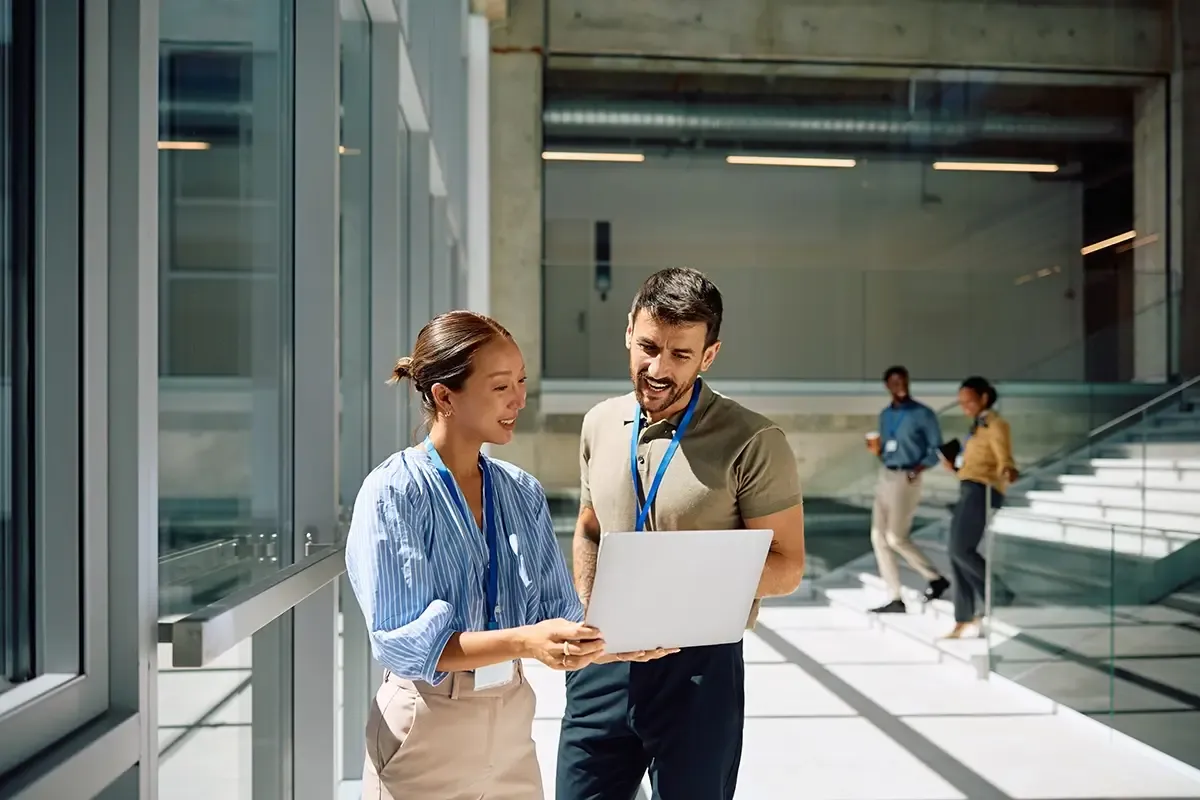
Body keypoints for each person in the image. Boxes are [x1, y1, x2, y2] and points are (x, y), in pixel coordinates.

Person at [556, 267, 807, 800]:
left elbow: (787, 568)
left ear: (709, 355)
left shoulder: (754, 439)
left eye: (680, 355)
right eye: (647, 346)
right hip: (603, 660)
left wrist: (678, 583)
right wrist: (588, 616)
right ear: (628, 330)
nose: (657, 368)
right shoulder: (599, 422)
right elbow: (589, 528)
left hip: (698, 669)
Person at [344, 310, 610, 799]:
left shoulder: (520, 491)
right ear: (445, 395)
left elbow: (556, 614)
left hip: (511, 718)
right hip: (427, 725)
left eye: (522, 382)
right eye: (501, 386)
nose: (519, 400)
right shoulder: (394, 492)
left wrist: (621, 639)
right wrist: (528, 641)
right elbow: (409, 644)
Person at [938, 375, 1018, 639]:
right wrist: (955, 468)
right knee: (955, 552)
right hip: (968, 487)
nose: (965, 406)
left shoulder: (996, 424)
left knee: (961, 549)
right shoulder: (976, 428)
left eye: (969, 401)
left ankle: (999, 594)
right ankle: (964, 617)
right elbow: (974, 464)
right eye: (961, 402)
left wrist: (1007, 468)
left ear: (984, 397)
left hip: (982, 491)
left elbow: (1003, 456)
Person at [865, 365, 950, 613]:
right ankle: (894, 597)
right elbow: (886, 448)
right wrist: (877, 450)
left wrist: (919, 469)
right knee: (878, 538)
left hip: (908, 476)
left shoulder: (923, 414)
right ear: (887, 386)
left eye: (903, 381)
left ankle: (935, 577)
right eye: (894, 382)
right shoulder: (885, 415)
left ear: (908, 382)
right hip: (886, 474)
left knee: (895, 537)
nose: (899, 386)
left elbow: (936, 448)